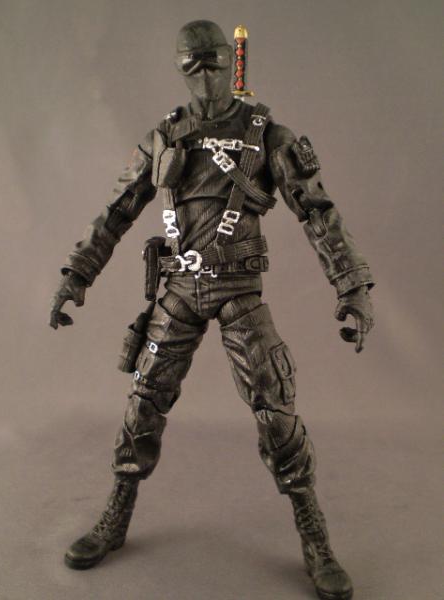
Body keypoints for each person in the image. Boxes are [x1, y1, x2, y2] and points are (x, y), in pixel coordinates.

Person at [50, 20, 374, 600]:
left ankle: (315, 535)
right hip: (178, 290)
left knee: (275, 407)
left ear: (232, 60)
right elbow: (117, 210)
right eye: (191, 65)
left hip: (238, 290)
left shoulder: (267, 136)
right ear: (179, 68)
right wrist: (78, 273)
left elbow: (317, 212)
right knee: (143, 403)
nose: (205, 75)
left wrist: (351, 285)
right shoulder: (165, 136)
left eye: (214, 62)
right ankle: (115, 516)